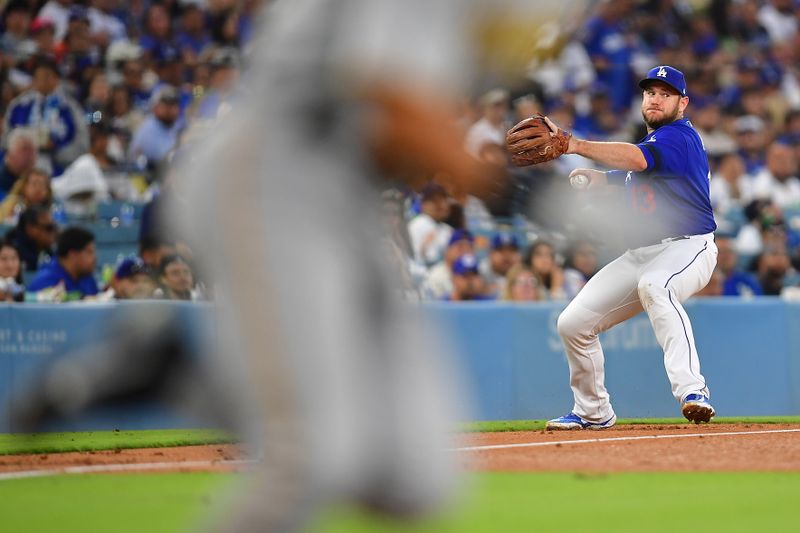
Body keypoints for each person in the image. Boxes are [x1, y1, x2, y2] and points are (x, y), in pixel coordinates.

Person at [535, 65, 719, 428]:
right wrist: (603, 181)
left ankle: (692, 391)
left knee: (657, 286)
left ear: (683, 103)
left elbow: (638, 159)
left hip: (689, 246)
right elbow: (640, 172)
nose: (655, 98)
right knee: (573, 323)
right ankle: (593, 411)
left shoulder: (679, 136)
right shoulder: (658, 145)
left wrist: (575, 146)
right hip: (642, 253)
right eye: (650, 92)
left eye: (665, 94)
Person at [26, 225, 99, 301]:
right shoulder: (45, 282)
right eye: (89, 252)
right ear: (72, 255)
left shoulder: (87, 277)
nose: (95, 257)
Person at [5, 204, 57, 272]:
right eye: (49, 228)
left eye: (54, 227)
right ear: (30, 228)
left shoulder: (48, 250)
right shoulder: (13, 252)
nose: (53, 233)